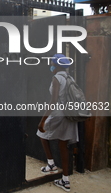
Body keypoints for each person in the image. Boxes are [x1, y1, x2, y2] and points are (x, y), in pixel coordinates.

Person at [37, 54, 78, 192]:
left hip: (58, 113)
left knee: (41, 134)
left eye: (52, 63)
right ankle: (65, 181)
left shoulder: (57, 78)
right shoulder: (70, 78)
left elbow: (53, 101)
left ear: (58, 65)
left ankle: (51, 164)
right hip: (69, 114)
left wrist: (42, 120)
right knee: (63, 145)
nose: (51, 66)